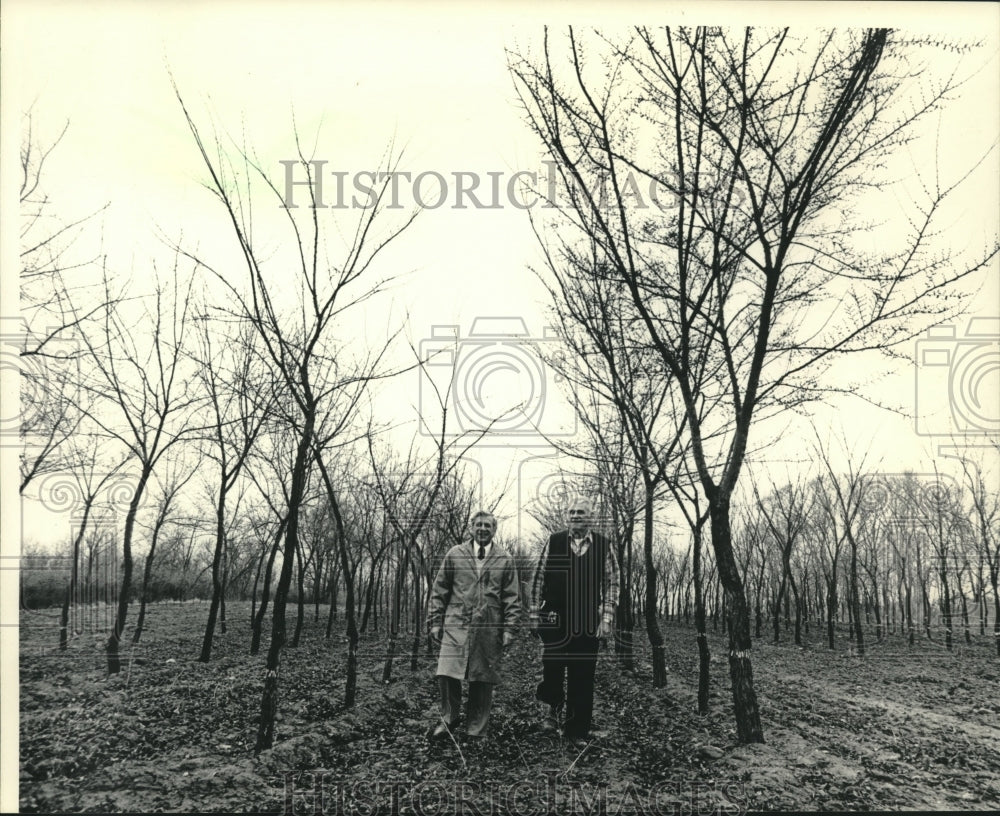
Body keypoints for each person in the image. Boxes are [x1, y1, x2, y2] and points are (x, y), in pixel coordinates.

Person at [530, 497, 619, 748]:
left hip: (587, 621)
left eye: (581, 512)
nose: (576, 516)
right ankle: (553, 711)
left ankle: (577, 729)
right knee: (553, 667)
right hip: (555, 618)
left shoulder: (603, 546)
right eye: (572, 512)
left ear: (591, 517)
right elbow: (538, 579)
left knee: (583, 675)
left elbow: (612, 584)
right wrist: (535, 615)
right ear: (566, 517)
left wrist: (606, 619)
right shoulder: (554, 541)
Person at [427, 510, 521, 744]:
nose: (482, 529)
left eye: (487, 526)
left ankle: (476, 730)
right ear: (471, 528)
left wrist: (510, 628)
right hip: (456, 623)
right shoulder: (455, 554)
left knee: (482, 677)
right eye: (478, 525)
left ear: (494, 530)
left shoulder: (505, 559)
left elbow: (512, 597)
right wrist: (435, 621)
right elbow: (439, 591)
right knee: (447, 673)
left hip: (489, 626)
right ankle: (448, 718)